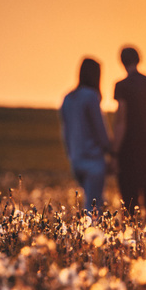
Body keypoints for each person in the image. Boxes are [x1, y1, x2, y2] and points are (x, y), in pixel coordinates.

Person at [113, 46, 146, 220]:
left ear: (122, 61)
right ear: (139, 59)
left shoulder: (121, 86)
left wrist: (115, 150)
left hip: (128, 148)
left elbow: (121, 119)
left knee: (129, 197)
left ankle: (132, 237)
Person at [59, 57, 113, 211]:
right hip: (93, 160)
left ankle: (89, 232)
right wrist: (110, 148)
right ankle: (92, 234)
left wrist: (70, 153)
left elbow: (65, 131)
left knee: (90, 201)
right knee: (94, 206)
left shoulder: (68, 98)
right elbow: (99, 128)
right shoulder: (90, 96)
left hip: (76, 159)